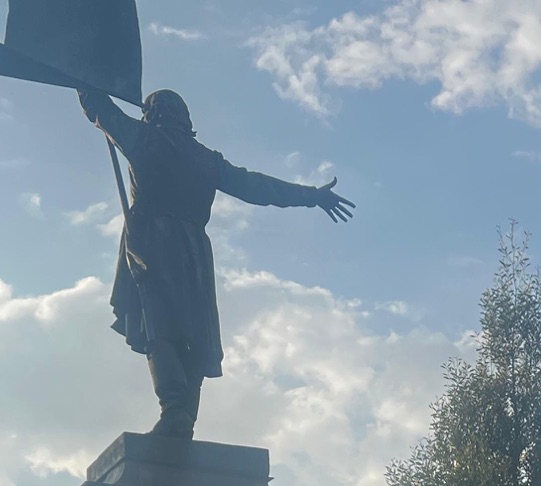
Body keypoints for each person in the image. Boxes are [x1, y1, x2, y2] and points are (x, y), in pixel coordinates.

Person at [75, 86, 353, 439]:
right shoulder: (206, 159)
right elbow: (257, 187)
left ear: (152, 114)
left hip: (152, 245)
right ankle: (184, 417)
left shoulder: (144, 139)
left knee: (159, 327)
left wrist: (83, 79)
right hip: (194, 252)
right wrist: (311, 196)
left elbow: (101, 109)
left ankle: (174, 410)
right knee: (193, 334)